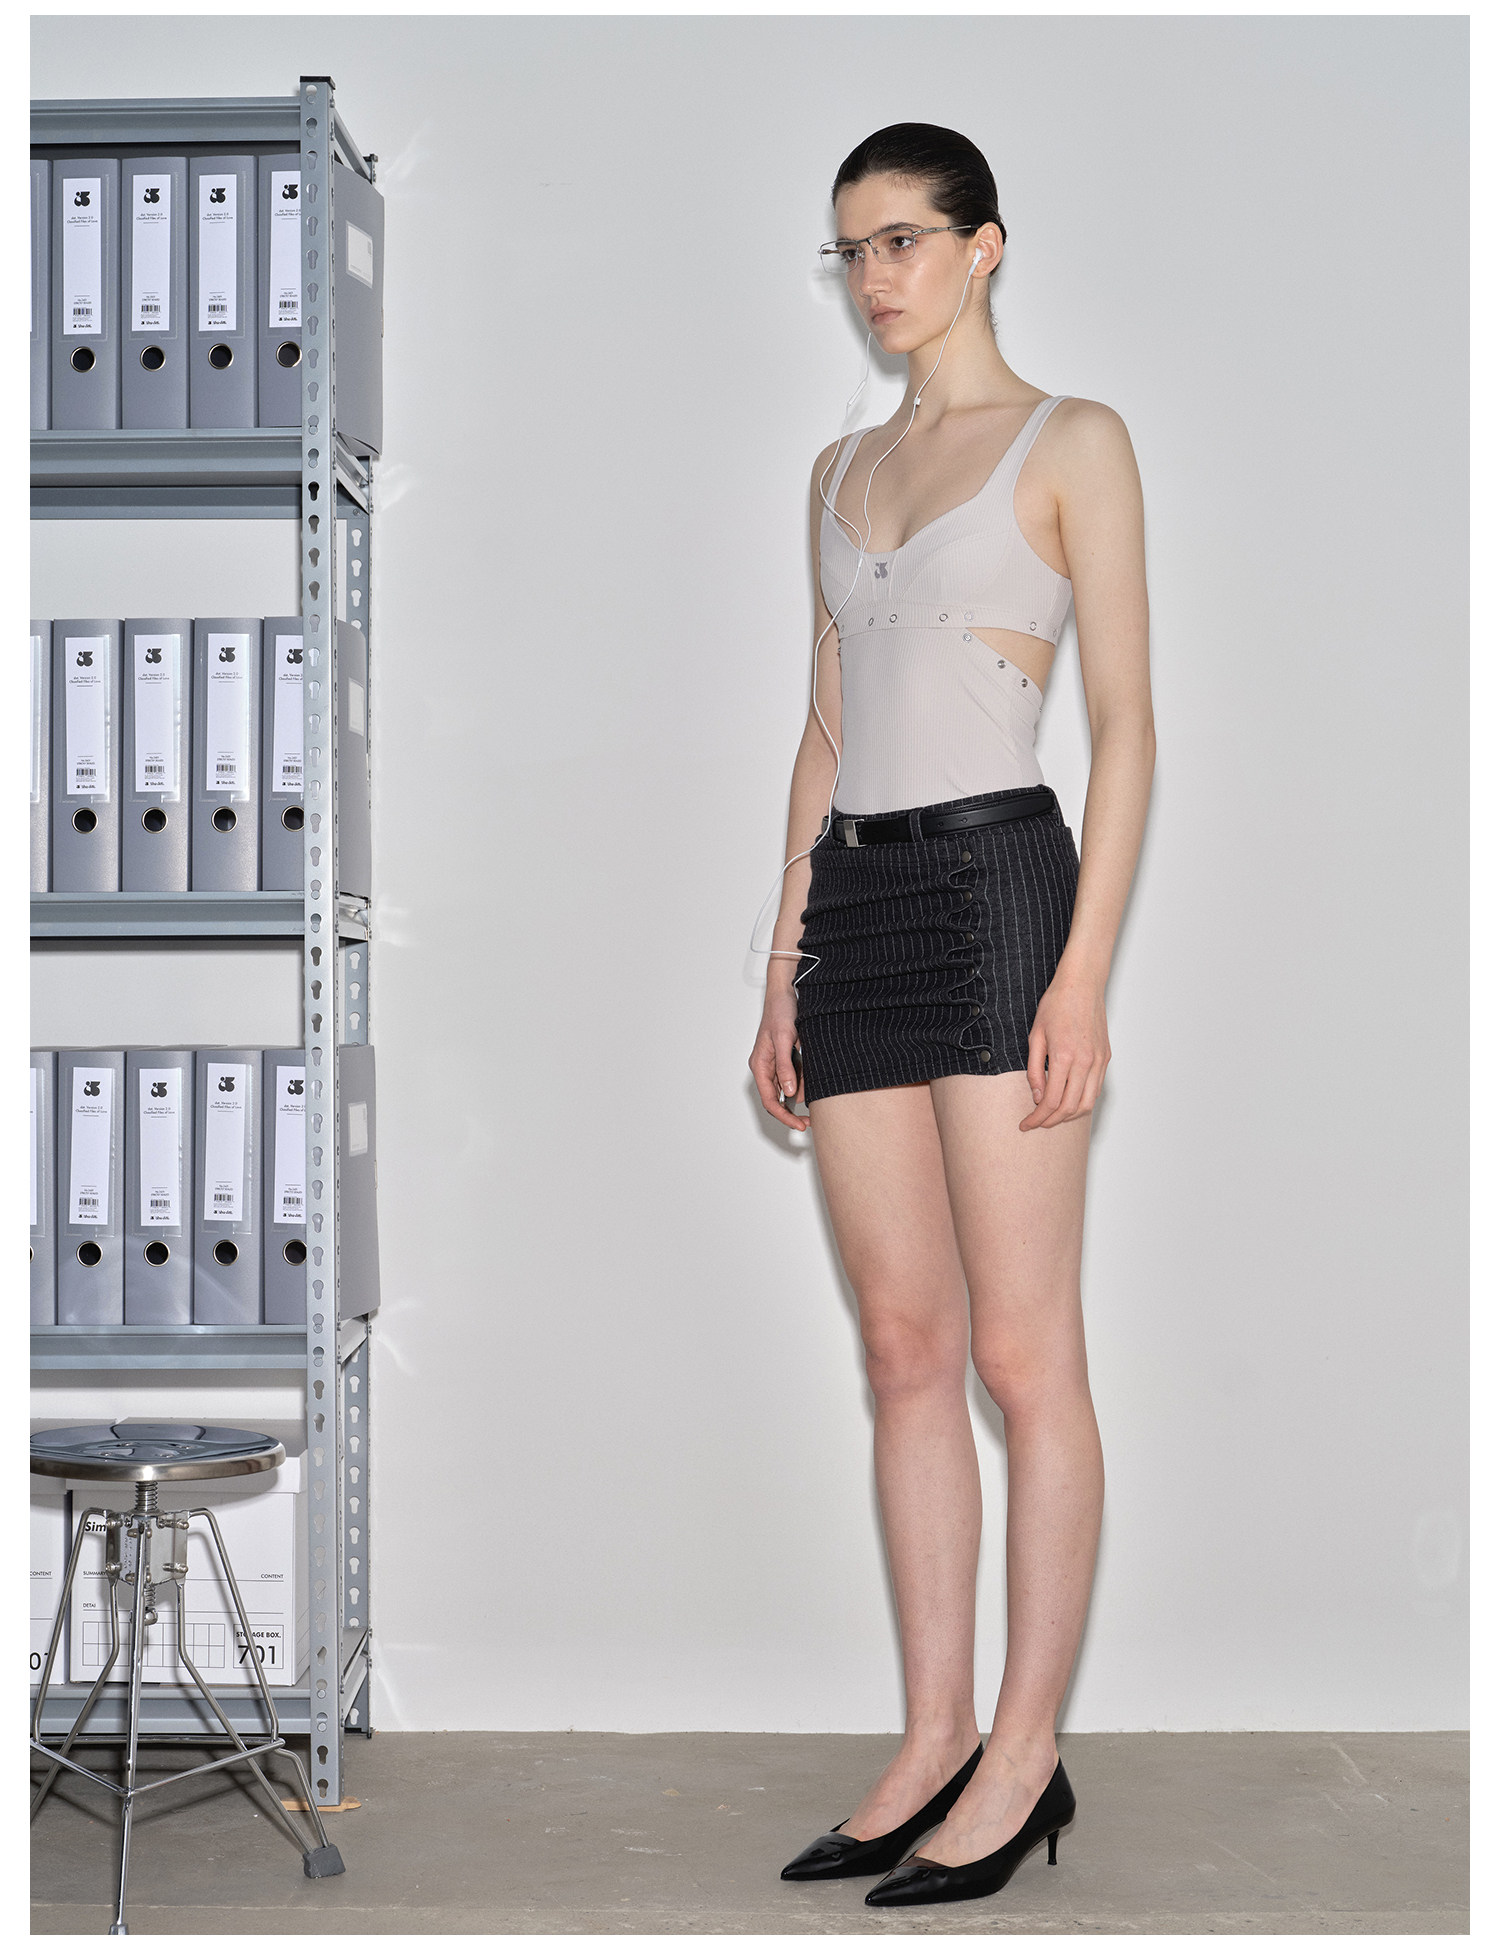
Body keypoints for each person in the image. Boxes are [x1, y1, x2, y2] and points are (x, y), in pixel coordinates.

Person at [748, 123, 1155, 1909]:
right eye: (851, 249)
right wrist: (783, 963)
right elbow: (825, 731)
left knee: (1021, 1353)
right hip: (858, 906)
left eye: (905, 239)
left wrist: (1083, 971)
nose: (876, 275)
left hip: (999, 891)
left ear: (986, 245)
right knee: (903, 1348)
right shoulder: (838, 471)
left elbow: (1128, 727)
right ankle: (931, 1740)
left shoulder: (1075, 441)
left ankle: (1026, 1750)